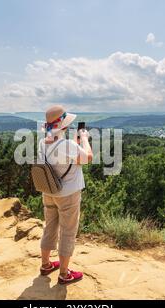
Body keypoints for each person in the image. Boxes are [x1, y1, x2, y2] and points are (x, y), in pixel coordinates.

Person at [38, 105, 93, 285]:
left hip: (48, 191)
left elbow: (65, 158)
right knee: (68, 232)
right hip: (68, 194)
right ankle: (64, 274)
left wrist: (75, 144)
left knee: (50, 227)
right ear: (62, 124)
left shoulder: (42, 142)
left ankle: (46, 264)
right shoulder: (67, 145)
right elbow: (88, 158)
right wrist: (84, 139)